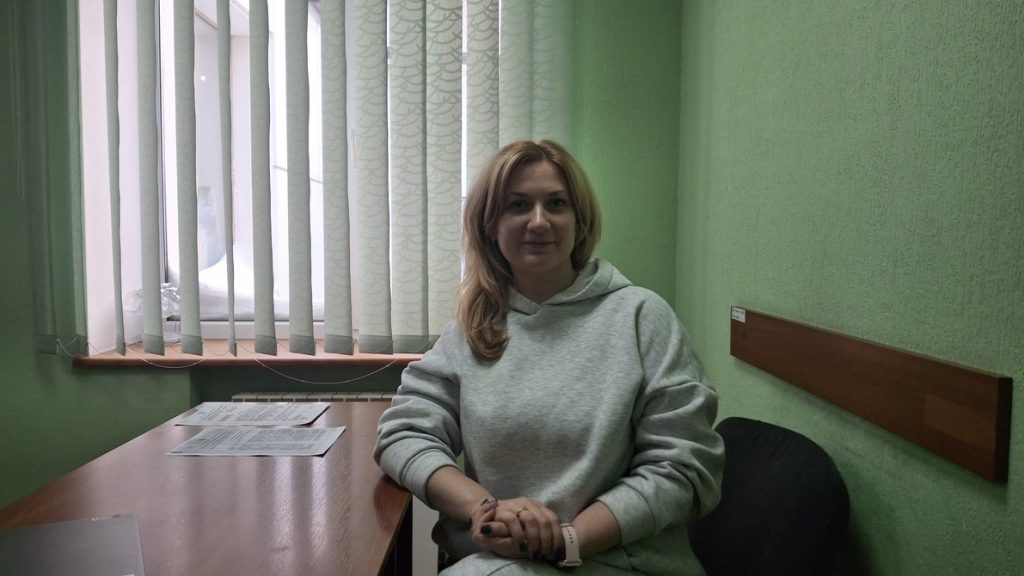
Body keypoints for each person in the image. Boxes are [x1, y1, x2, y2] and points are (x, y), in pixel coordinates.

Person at [374, 140, 724, 575]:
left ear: (580, 220)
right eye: (518, 205)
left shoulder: (641, 317)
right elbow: (403, 433)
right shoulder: (476, 327)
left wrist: (565, 540)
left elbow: (685, 468)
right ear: (490, 225)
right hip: (497, 559)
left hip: (620, 560)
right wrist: (486, 510)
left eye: (556, 204)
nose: (538, 222)